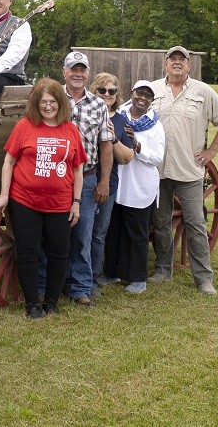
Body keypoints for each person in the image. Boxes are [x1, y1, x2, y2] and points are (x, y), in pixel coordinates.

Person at [0, 78, 85, 319]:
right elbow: (9, 161)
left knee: (58, 253)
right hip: (26, 202)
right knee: (28, 252)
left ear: (60, 103)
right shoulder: (24, 126)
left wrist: (76, 202)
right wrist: (4, 195)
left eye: (52, 101)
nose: (48, 106)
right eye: (43, 102)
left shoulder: (70, 130)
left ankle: (52, 302)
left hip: (60, 204)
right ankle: (33, 304)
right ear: (36, 103)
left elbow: (77, 169)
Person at [150, 45, 218, 295]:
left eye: (182, 60)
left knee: (195, 222)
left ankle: (203, 278)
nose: (177, 63)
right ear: (165, 63)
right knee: (161, 223)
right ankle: (163, 269)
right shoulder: (153, 90)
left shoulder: (203, 92)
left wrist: (211, 153)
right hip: (158, 171)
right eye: (172, 59)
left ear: (189, 65)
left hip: (189, 170)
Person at [60, 51, 114, 306]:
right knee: (54, 233)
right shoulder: (53, 98)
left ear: (88, 74)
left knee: (83, 234)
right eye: (73, 69)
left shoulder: (98, 104)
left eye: (82, 70)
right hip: (56, 176)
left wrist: (104, 182)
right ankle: (52, 282)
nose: (78, 74)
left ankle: (81, 288)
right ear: (65, 72)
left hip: (89, 176)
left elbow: (105, 145)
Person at [104, 80, 165, 294]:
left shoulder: (155, 125)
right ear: (133, 93)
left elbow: (158, 157)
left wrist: (137, 145)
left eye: (148, 96)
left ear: (152, 101)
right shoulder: (119, 115)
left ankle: (138, 277)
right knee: (114, 229)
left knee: (137, 232)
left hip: (140, 184)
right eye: (140, 93)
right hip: (118, 181)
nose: (142, 98)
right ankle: (111, 272)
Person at [89, 72, 134, 296]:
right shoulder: (85, 112)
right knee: (78, 232)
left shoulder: (120, 121)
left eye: (112, 91)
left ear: (117, 95)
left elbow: (126, 158)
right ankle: (73, 276)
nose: (107, 95)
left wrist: (112, 137)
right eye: (102, 90)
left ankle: (93, 277)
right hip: (83, 178)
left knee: (98, 234)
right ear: (94, 91)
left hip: (108, 182)